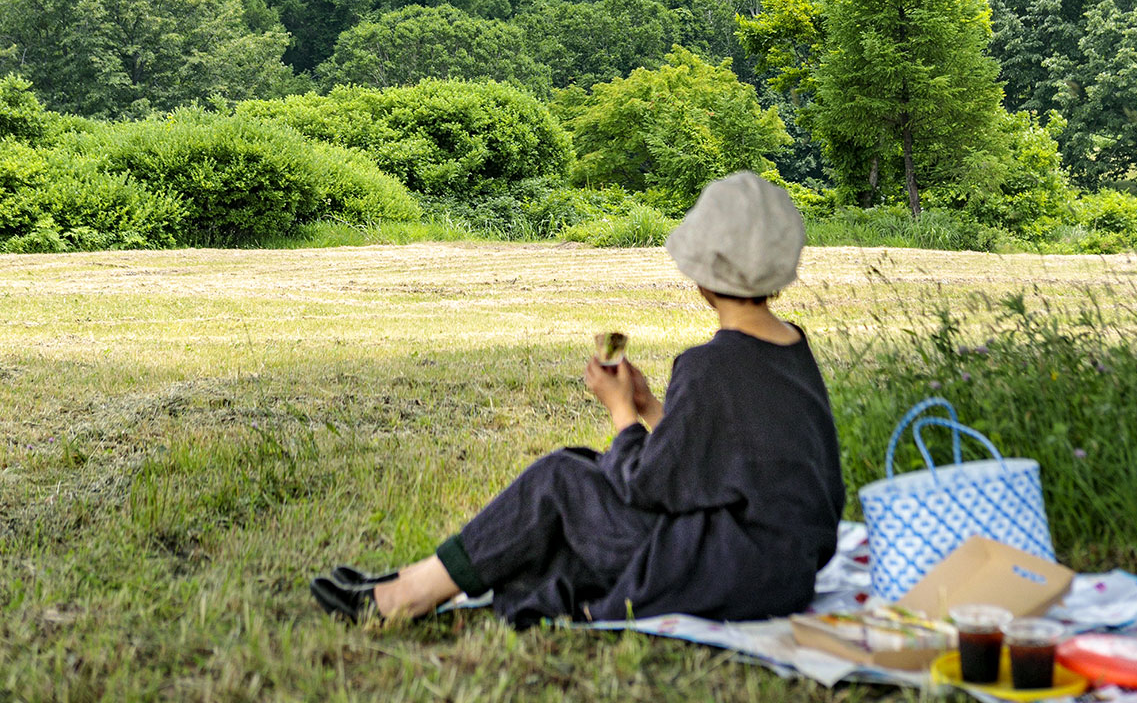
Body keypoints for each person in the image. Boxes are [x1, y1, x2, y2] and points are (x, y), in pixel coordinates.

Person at [310, 171, 845, 628]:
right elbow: (723, 458)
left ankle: (405, 596)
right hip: (781, 570)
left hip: (722, 570)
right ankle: (422, 580)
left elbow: (649, 486)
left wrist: (620, 410)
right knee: (581, 472)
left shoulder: (710, 366)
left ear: (701, 275)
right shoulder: (791, 347)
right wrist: (649, 407)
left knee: (561, 480)